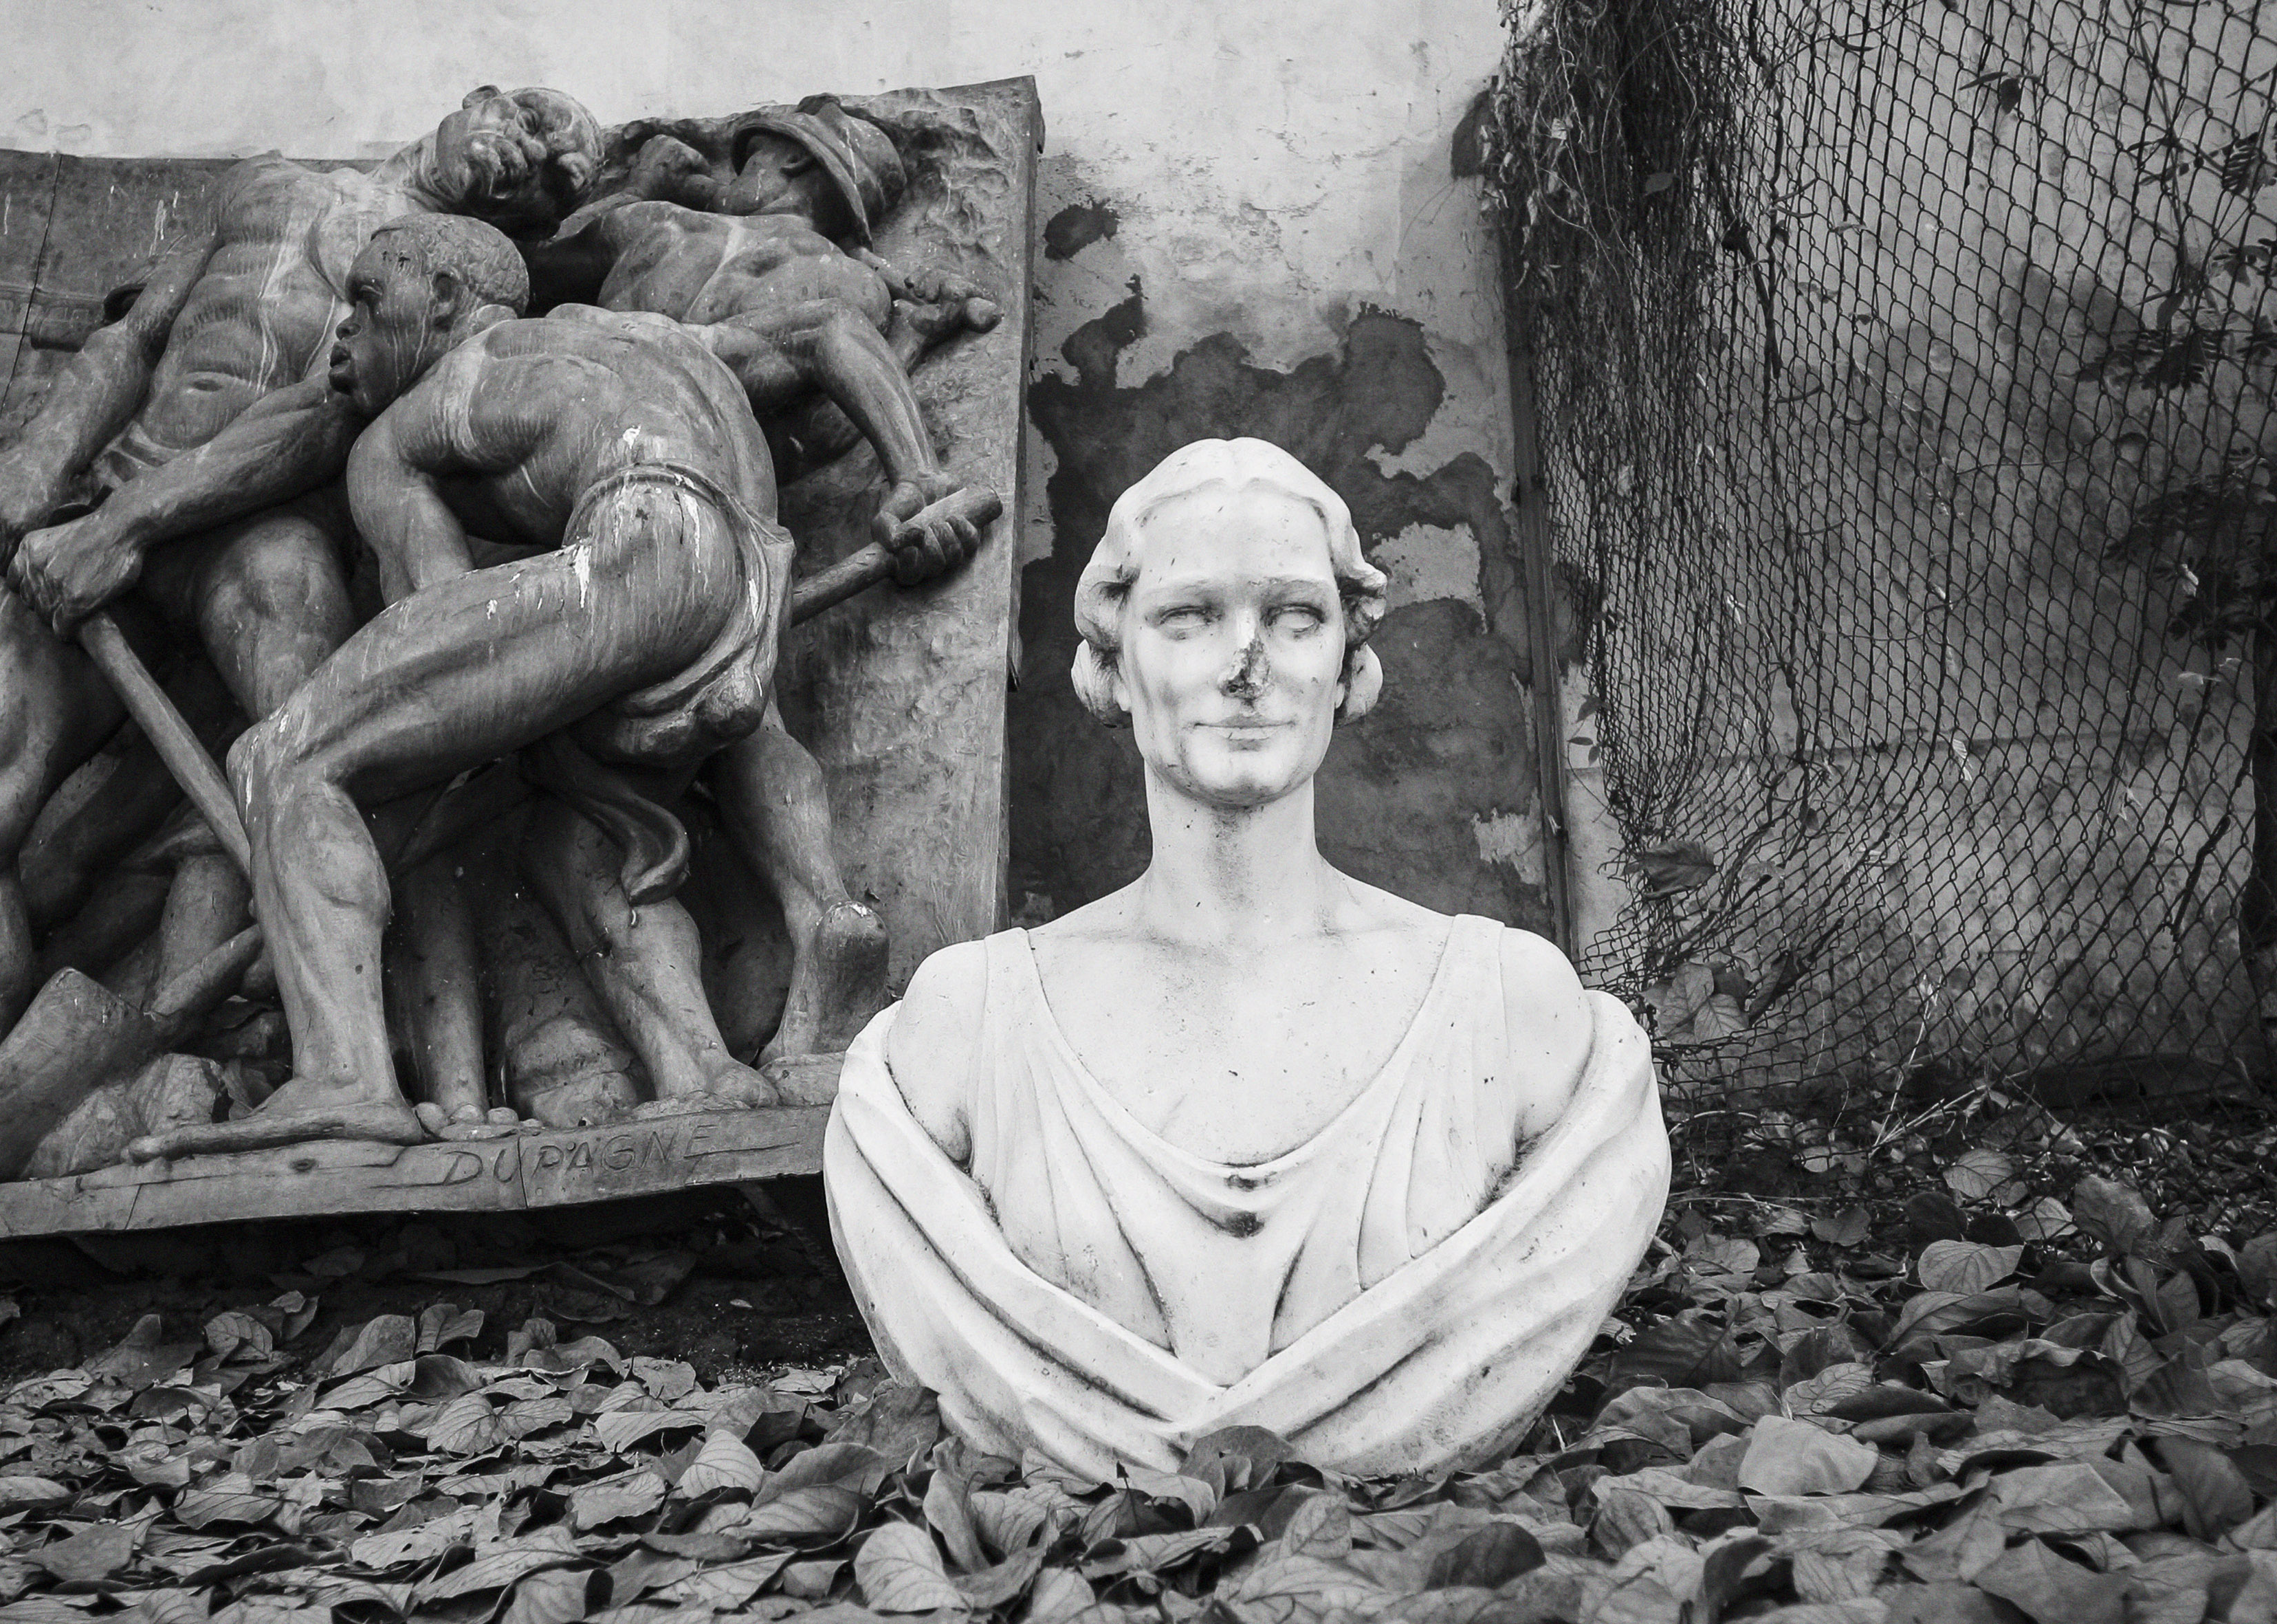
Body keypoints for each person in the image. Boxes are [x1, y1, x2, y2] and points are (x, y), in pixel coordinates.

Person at [824, 439, 1671, 1477]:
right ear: (1110, 663)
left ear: (1351, 665)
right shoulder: (965, 1030)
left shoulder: (1515, 1013)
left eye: (1293, 616)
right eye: (1190, 616)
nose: (1247, 660)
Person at [126, 217, 945, 1160]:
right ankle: (757, 1005)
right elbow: (831, 334)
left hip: (631, 545)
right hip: (750, 572)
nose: (340, 335)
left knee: (282, 756)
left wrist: (328, 874)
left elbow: (441, 623)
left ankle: (344, 1076)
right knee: (588, 829)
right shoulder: (646, 334)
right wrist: (916, 477)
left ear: (439, 300)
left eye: (364, 301)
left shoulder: (400, 430)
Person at [0, 88, 602, 1142]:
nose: (527, 165)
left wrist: (122, 529)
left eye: (550, 180)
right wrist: (42, 458)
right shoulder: (264, 185)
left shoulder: (437, 274)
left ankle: (371, 1081)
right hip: (111, 497)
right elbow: (135, 338)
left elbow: (321, 413)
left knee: (331, 768)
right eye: (533, 131)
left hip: (263, 530)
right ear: (477, 102)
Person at [518, 96, 998, 1067]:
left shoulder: (656, 229)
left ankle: (919, 479)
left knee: (588, 764)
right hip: (713, 478)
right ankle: (822, 905)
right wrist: (916, 340)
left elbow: (503, 288)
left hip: (611, 445)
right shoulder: (842, 280)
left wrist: (633, 180)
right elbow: (814, 437)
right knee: (746, 710)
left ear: (777, 160)